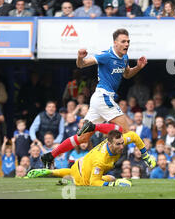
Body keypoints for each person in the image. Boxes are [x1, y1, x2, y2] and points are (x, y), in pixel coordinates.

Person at [41, 29, 148, 168]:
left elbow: (127, 74)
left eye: (128, 41)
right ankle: (95, 129)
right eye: (123, 41)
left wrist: (138, 67)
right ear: (115, 43)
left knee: (83, 137)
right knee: (126, 133)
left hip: (100, 99)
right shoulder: (106, 55)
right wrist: (80, 57)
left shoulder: (125, 57)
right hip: (104, 97)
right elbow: (81, 64)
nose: (127, 44)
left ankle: (50, 156)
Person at [27, 130, 155, 186]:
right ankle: (64, 179)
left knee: (72, 172)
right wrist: (114, 185)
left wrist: (146, 156)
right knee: (111, 179)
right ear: (109, 144)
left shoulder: (120, 140)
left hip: (81, 163)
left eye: (122, 143)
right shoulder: (101, 159)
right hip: (84, 176)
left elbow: (134, 136)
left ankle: (50, 172)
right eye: (118, 144)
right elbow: (94, 183)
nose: (122, 146)